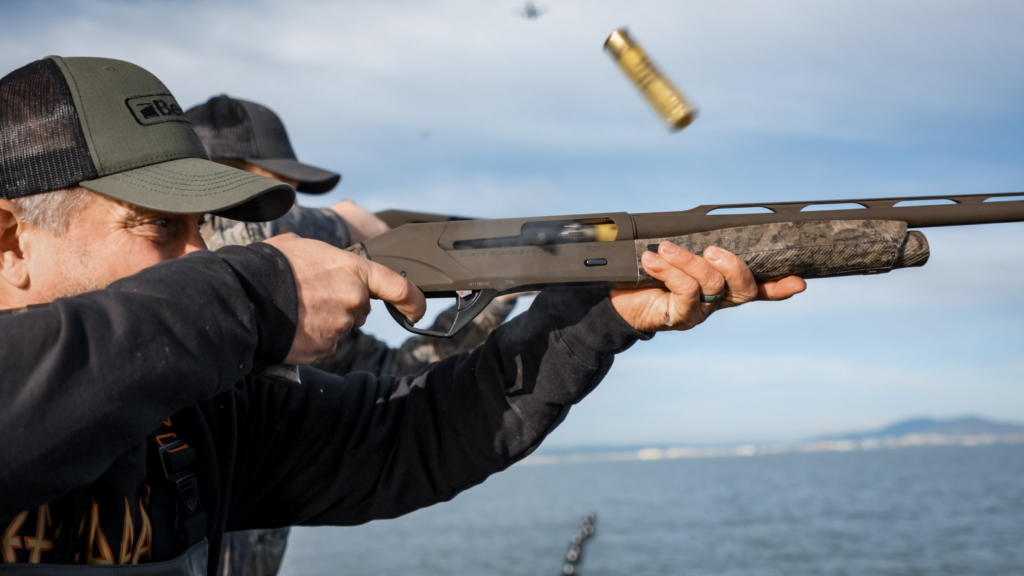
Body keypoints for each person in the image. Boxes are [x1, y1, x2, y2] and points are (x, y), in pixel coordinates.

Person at [0, 56, 805, 576]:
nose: (198, 257)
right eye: (154, 228)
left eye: (198, 229)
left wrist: (596, 312)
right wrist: (258, 294)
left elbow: (407, 434)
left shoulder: (199, 420)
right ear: (12, 240)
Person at [183, 95, 522, 575]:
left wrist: (498, 292)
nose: (291, 198)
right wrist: (343, 223)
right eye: (274, 188)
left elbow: (394, 374)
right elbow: (231, 235)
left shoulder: (282, 319)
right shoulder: (186, 261)